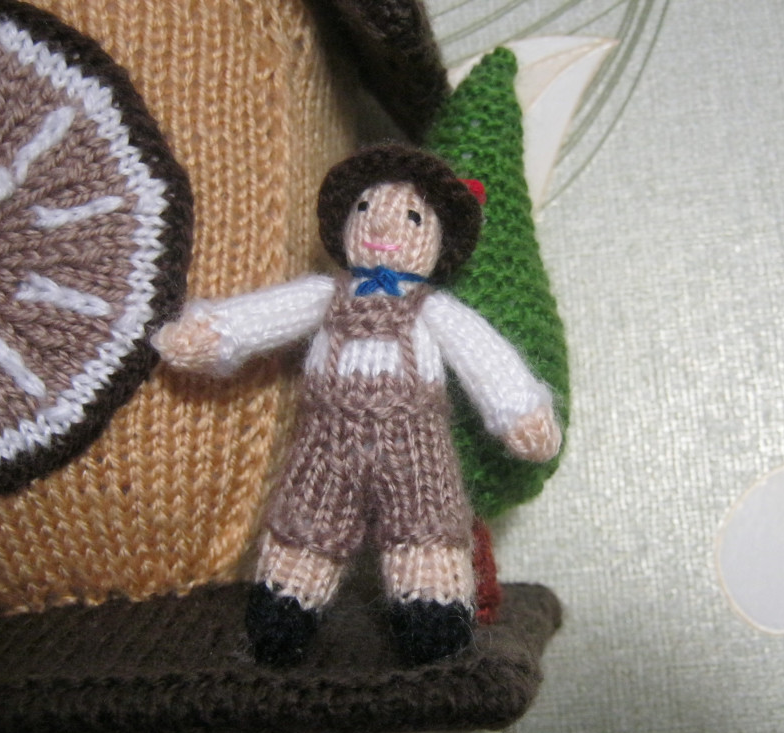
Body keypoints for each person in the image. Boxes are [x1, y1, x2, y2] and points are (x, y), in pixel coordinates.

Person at [153, 144, 561, 665]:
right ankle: (284, 611)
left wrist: (520, 411)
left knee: (427, 522)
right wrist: (213, 334)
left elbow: (486, 358)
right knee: (308, 520)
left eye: (411, 218)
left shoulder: (434, 310)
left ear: (436, 239)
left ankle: (432, 615)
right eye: (365, 208)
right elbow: (258, 318)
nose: (382, 225)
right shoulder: (326, 296)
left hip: (415, 443)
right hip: (326, 439)